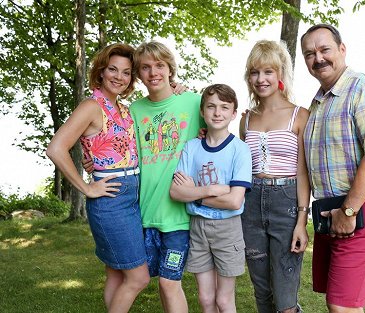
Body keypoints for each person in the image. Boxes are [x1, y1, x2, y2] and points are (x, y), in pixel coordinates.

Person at [300, 24, 365, 313]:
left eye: (324, 49)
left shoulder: (363, 86)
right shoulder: (319, 101)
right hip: (331, 211)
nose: (318, 58)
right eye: (309, 53)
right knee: (338, 300)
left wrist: (349, 211)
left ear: (342, 50)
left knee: (343, 306)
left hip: (360, 209)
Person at [46, 43, 150, 313]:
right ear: (101, 72)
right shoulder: (92, 106)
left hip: (131, 195)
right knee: (139, 277)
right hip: (110, 199)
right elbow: (56, 148)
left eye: (126, 72)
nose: (119, 76)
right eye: (113, 69)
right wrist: (86, 188)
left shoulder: (125, 110)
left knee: (117, 274)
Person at [129, 41, 205, 313]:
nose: (153, 72)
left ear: (170, 68)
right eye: (145, 67)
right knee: (158, 283)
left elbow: (222, 134)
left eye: (159, 65)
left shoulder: (194, 102)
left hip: (179, 215)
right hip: (145, 212)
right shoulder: (134, 111)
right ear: (138, 73)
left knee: (170, 282)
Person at [239, 40, 311, 313]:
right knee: (262, 292)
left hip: (287, 202)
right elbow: (239, 166)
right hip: (251, 204)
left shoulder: (300, 115)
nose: (261, 79)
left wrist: (301, 221)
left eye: (268, 72)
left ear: (280, 74)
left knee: (285, 297)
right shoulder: (245, 119)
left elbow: (303, 172)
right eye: (255, 72)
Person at [170, 84, 252, 313]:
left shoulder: (240, 150)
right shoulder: (192, 147)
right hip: (198, 228)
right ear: (202, 111)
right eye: (211, 107)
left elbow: (235, 201)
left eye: (225, 107)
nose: (217, 113)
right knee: (206, 299)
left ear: (234, 113)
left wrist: (194, 195)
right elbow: (176, 192)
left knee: (224, 301)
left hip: (228, 229)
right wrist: (213, 190)